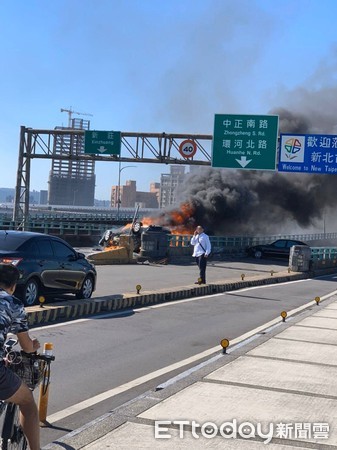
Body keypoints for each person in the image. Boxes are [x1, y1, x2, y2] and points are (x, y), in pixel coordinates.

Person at [0, 263, 40, 450]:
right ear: (14, 285)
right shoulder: (13, 304)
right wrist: (34, 346)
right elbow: (26, 346)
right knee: (28, 402)